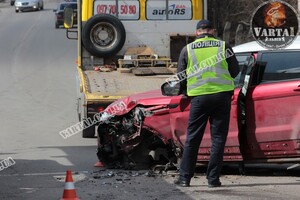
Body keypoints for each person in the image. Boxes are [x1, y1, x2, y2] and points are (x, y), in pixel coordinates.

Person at [174, 19, 239, 187]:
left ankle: (184, 178)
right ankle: (213, 179)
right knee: (218, 139)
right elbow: (235, 71)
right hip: (221, 97)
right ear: (213, 31)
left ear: (197, 32)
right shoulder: (224, 46)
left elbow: (181, 76)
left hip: (199, 98)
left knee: (193, 138)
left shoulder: (187, 49)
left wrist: (184, 92)